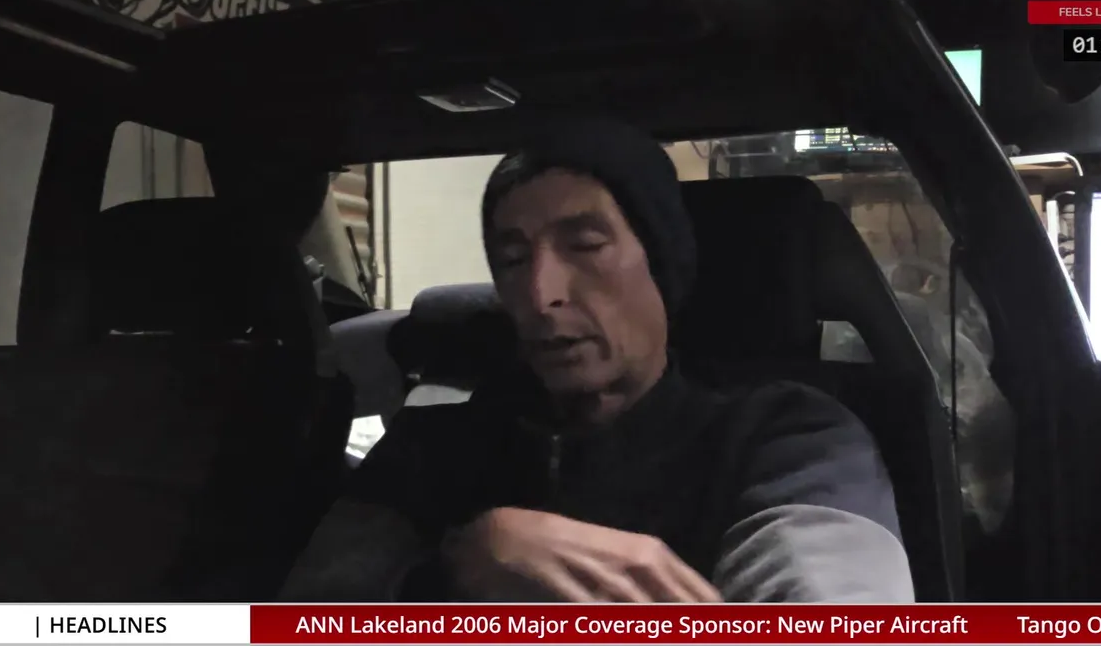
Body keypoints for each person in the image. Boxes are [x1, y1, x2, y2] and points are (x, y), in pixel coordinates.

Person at [280, 118, 914, 603]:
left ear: (660, 266)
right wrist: (457, 570)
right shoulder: (431, 446)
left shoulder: (791, 440)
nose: (540, 294)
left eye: (585, 245)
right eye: (512, 259)